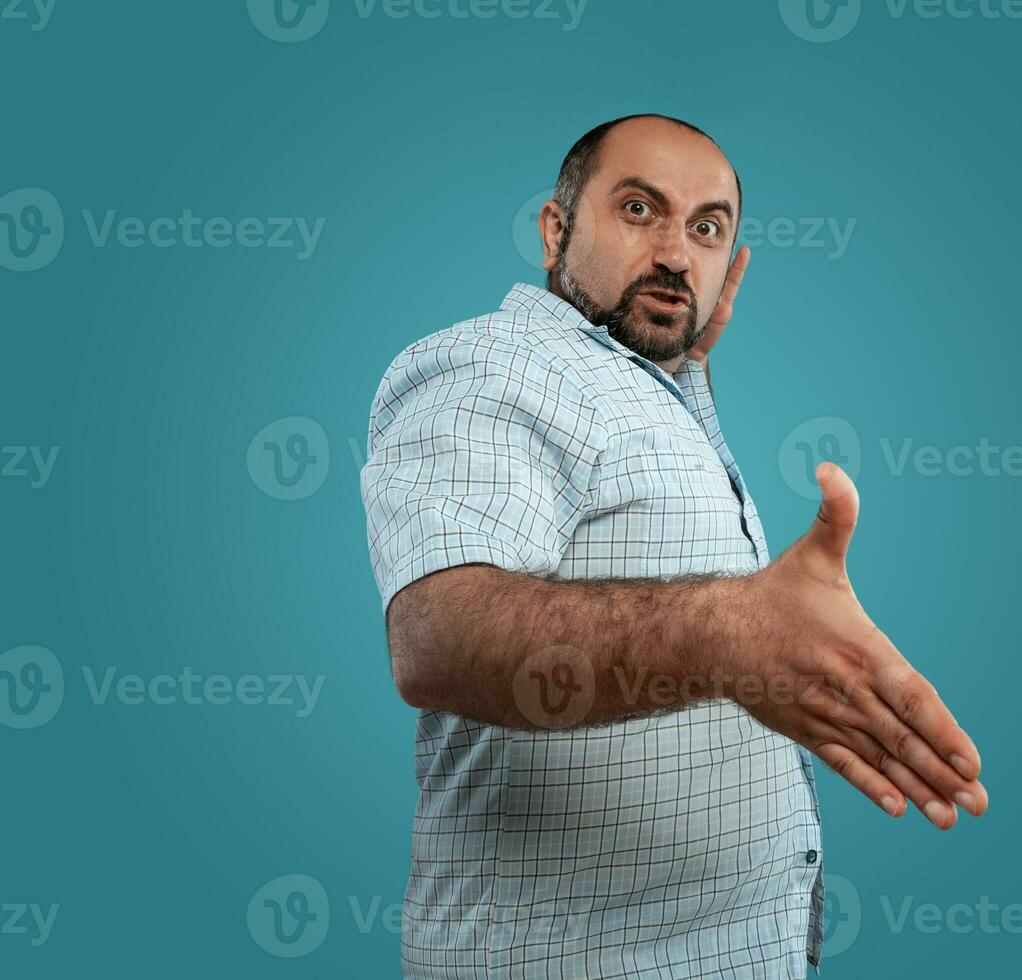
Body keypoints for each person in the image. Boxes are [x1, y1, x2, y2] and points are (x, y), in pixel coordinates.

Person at [360, 113, 989, 978]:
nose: (674, 253)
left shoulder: (655, 390)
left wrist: (680, 368)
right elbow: (437, 638)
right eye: (637, 209)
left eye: (706, 228)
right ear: (554, 229)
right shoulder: (495, 366)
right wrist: (724, 634)